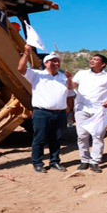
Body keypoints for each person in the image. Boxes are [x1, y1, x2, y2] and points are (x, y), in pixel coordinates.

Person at [17, 45, 73, 173]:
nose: (55, 63)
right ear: (45, 63)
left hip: (59, 113)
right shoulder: (37, 75)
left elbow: (70, 89)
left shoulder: (63, 77)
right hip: (42, 113)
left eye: (57, 61)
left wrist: (69, 78)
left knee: (56, 139)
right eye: (52, 61)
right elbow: (20, 68)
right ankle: (37, 163)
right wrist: (26, 53)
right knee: (39, 138)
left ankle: (55, 162)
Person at [72, 53, 107, 173]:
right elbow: (70, 86)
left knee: (98, 136)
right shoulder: (81, 74)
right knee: (82, 136)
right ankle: (84, 160)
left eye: (95, 59)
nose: (92, 61)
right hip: (82, 108)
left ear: (103, 64)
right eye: (92, 59)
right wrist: (68, 79)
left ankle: (95, 161)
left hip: (100, 111)